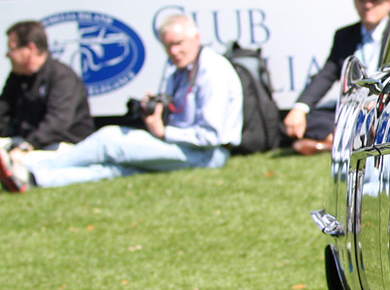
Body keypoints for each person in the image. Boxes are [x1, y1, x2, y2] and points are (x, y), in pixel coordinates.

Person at [4, 15, 242, 192]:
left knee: (110, 140)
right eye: (168, 46)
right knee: (115, 169)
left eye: (179, 43)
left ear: (197, 38)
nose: (174, 51)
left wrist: (164, 132)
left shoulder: (213, 72)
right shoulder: (178, 71)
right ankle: (35, 181)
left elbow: (212, 136)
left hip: (207, 154)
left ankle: (29, 169)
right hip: (183, 146)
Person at [285, 0, 390, 154]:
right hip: (352, 109)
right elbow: (327, 75)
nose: (367, 5)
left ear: (389, 2)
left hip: (387, 107)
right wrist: (299, 108)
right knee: (303, 118)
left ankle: (337, 141)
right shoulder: (345, 36)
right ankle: (348, 139)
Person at [0, 21, 94, 178]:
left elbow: (57, 123)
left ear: (30, 49)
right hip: (26, 142)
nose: (7, 54)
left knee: (21, 162)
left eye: (12, 48)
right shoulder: (18, 76)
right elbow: (3, 110)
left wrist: (26, 146)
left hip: (63, 145)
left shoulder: (62, 77)